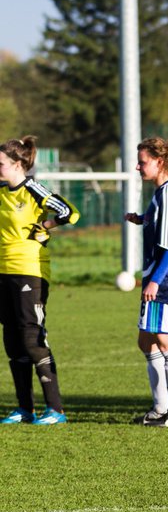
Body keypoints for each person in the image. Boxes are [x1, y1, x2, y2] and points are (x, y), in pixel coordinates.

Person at [0, 136, 78, 425]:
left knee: (32, 339)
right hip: (3, 272)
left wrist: (45, 225)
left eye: (1, 164)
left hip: (30, 271)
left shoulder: (32, 189)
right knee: (12, 341)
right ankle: (24, 409)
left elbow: (70, 212)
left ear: (18, 164)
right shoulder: (0, 191)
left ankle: (55, 410)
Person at [126, 137, 168, 427]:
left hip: (163, 278)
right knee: (146, 340)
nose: (138, 166)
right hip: (159, 277)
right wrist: (142, 219)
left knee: (165, 341)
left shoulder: (167, 194)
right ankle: (160, 408)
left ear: (159, 162)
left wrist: (155, 282)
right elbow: (164, 222)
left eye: (143, 161)